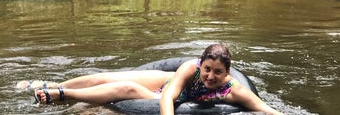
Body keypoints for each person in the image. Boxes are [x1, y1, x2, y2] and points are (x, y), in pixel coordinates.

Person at [16, 44, 283, 115]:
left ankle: (61, 96)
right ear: (201, 65)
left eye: (218, 72)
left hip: (173, 99)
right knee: (105, 77)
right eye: (208, 69)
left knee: (126, 88)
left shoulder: (234, 91)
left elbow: (266, 110)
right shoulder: (190, 68)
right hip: (166, 86)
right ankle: (50, 84)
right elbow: (169, 94)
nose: (211, 76)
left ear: (228, 72)